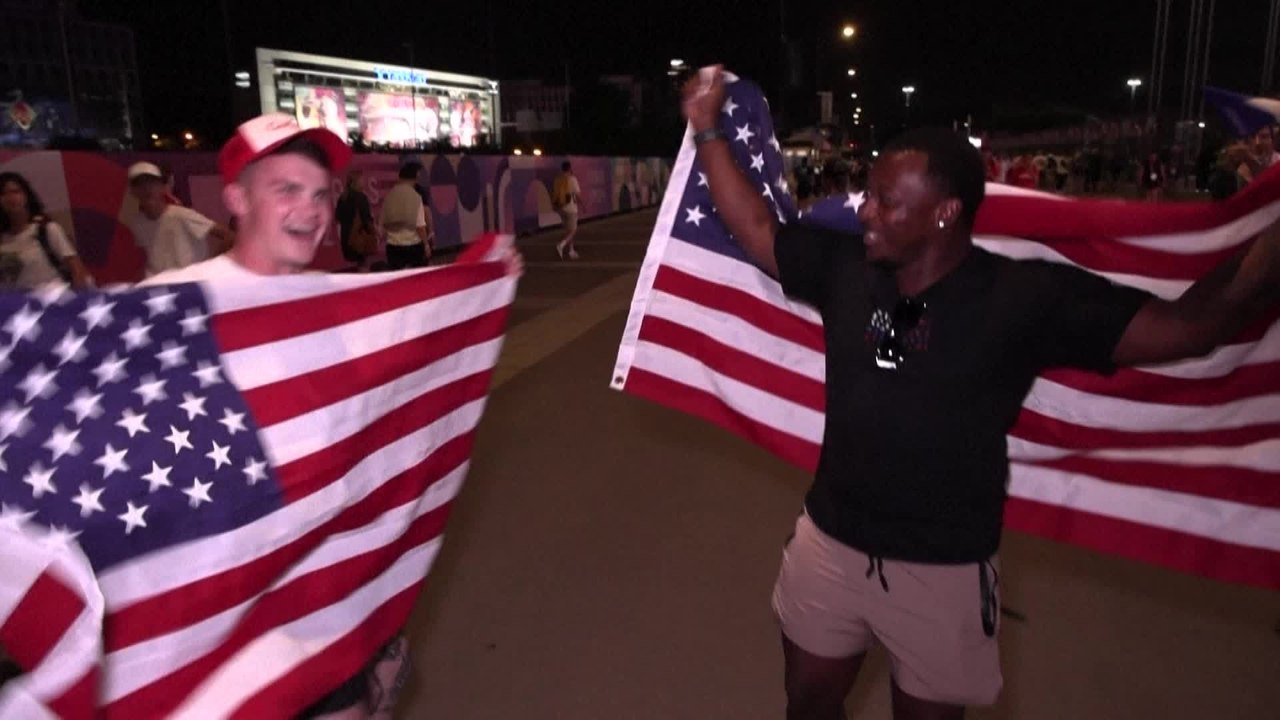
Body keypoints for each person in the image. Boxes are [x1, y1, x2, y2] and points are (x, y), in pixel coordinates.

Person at [682, 67, 1280, 720]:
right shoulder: (849, 269)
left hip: (943, 571)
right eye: (869, 195)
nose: (865, 212)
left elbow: (1191, 327)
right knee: (807, 705)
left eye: (886, 201)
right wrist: (708, 127)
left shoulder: (1023, 298)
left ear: (945, 213)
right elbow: (758, 230)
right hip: (829, 548)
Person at [142, 112, 521, 719]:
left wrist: (481, 282)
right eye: (286, 189)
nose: (310, 210)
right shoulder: (171, 309)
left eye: (321, 194)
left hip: (324, 597)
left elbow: (403, 387)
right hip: (228, 611)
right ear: (237, 198)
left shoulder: (342, 304)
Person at [127, 161, 235, 277]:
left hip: (189, 281)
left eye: (152, 183)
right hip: (159, 282)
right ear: (133, 191)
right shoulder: (137, 223)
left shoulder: (182, 215)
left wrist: (209, 264)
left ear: (162, 187)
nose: (146, 188)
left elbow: (229, 235)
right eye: (140, 185)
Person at [0, 171, 93, 290]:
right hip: (17, 300)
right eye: (3, 194)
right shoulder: (3, 239)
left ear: (26, 196)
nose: (10, 198)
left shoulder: (46, 230)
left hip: (54, 297)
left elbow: (76, 268)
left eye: (15, 192)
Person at [379, 163, 432, 270]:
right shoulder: (416, 197)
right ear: (415, 178)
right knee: (417, 275)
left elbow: (382, 224)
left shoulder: (389, 196)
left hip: (393, 245)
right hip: (413, 245)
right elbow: (420, 226)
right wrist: (426, 244)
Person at [335, 169, 376, 271]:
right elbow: (366, 218)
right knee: (362, 265)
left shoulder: (342, 198)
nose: (363, 182)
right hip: (360, 237)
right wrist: (374, 232)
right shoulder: (361, 197)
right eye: (362, 180)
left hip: (346, 237)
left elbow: (338, 218)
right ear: (357, 182)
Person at [552, 160, 582, 259]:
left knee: (568, 230)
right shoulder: (572, 179)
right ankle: (561, 245)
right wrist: (583, 205)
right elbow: (578, 194)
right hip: (571, 207)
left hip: (561, 208)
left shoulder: (558, 179)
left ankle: (571, 250)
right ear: (569, 168)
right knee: (573, 230)